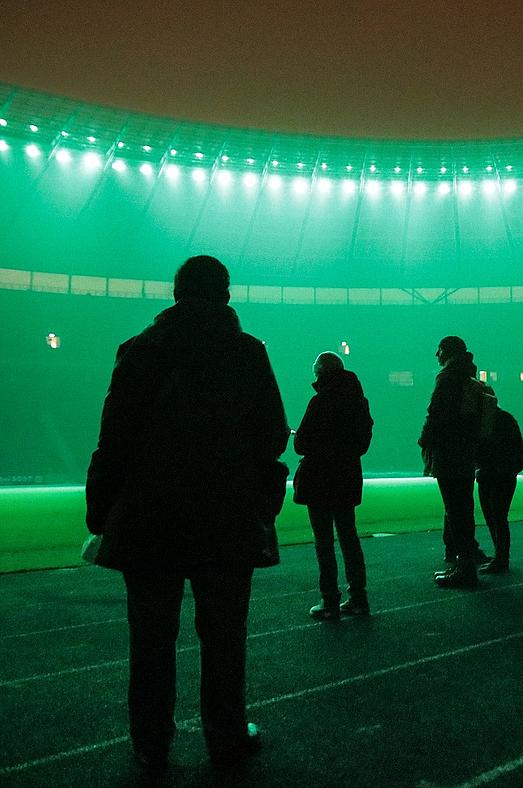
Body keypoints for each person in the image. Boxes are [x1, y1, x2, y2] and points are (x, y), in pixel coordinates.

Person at [85, 255, 289, 770]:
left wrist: (101, 512)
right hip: (227, 517)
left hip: (149, 517)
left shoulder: (139, 351)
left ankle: (150, 740)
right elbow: (270, 437)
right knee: (224, 638)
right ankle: (225, 736)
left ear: (176, 293)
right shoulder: (247, 353)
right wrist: (261, 505)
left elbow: (114, 439)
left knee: (151, 640)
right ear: (225, 293)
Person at [293, 352, 374, 620]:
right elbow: (362, 444)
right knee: (349, 537)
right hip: (347, 476)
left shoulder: (319, 402)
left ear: (321, 374)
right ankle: (359, 598)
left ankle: (329, 600)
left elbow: (301, 444)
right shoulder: (359, 402)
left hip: (319, 479)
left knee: (324, 542)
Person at [420, 336, 483, 589]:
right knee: (463, 507)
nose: (436, 354)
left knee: (455, 509)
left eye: (439, 350)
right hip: (466, 451)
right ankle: (465, 560)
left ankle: (464, 566)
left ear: (446, 351)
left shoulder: (447, 377)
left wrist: (424, 440)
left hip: (449, 452)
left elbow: (436, 413)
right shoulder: (469, 376)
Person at [475, 385, 523, 573]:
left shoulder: (494, 421)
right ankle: (501, 557)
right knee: (495, 518)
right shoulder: (504, 419)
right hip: (494, 475)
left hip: (495, 476)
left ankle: (501, 558)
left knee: (496, 518)